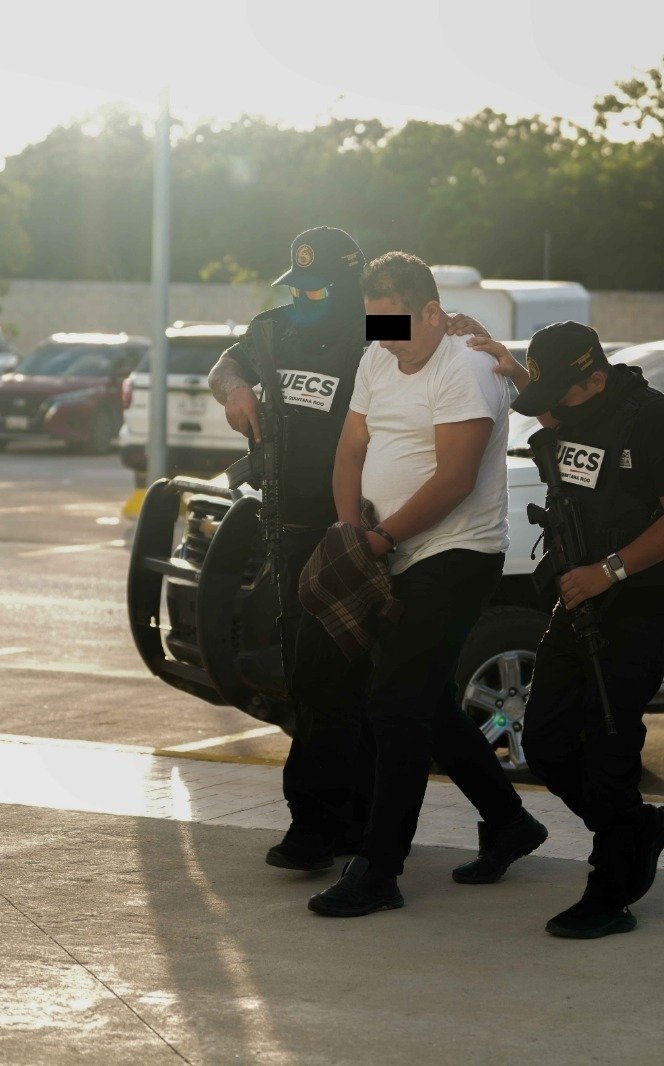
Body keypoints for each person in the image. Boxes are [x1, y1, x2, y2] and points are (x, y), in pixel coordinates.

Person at [206, 227, 490, 873]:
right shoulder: (274, 329)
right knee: (316, 678)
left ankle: (362, 826)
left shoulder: (377, 326)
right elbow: (228, 362)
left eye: (318, 287)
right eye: (297, 285)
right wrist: (237, 391)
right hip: (298, 527)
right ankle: (322, 823)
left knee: (376, 684)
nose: (304, 297)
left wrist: (474, 335)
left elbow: (446, 334)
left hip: (371, 526)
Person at [307, 251, 547, 917]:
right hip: (386, 550)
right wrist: (350, 529)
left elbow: (455, 478)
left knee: (394, 701)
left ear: (434, 314)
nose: (385, 341)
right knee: (425, 703)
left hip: (457, 553)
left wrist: (379, 540)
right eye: (374, 325)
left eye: (397, 326)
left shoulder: (468, 367)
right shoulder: (379, 356)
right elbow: (350, 449)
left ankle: (380, 870)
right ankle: (509, 822)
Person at [471, 321, 664, 939]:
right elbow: (560, 422)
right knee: (545, 742)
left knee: (609, 740)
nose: (547, 413)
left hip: (636, 604)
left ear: (596, 379)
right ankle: (634, 829)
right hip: (577, 599)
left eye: (558, 398)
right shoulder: (572, 403)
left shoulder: (660, 423)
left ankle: (611, 890)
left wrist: (610, 571)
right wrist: (508, 364)